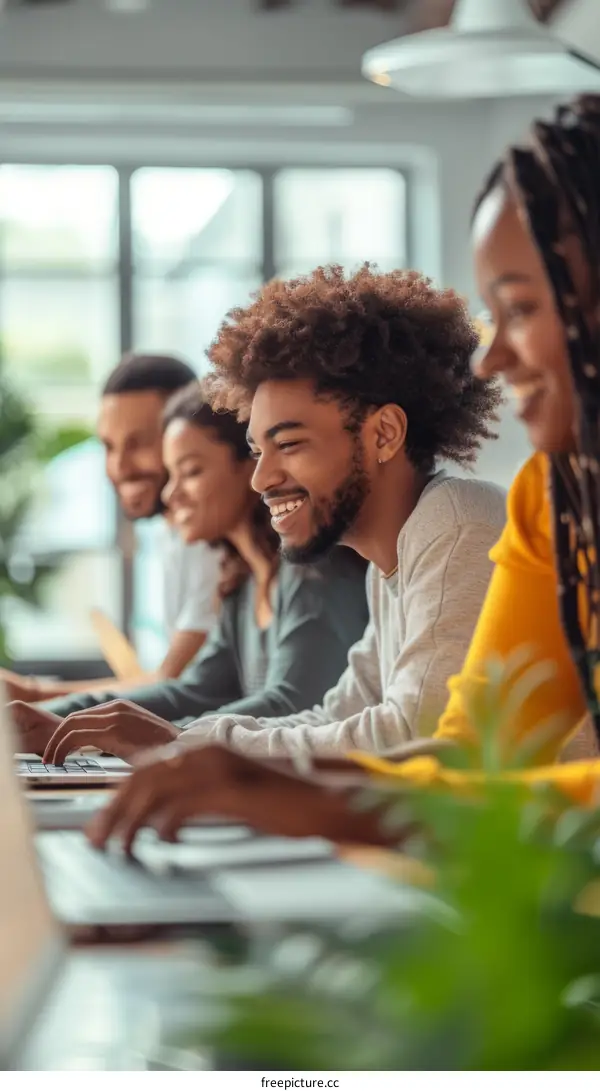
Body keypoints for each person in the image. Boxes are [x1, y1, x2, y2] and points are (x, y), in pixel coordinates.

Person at [82, 94, 600, 853]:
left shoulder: (455, 523)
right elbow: (447, 749)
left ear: (384, 433)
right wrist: (201, 751)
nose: (491, 359)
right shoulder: (543, 505)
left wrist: (239, 765)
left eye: (519, 310)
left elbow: (428, 744)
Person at [26, 265, 506, 771]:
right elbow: (335, 715)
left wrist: (180, 745)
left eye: (290, 444)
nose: (261, 479)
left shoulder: (454, 523)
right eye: (258, 451)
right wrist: (179, 742)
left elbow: (411, 735)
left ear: (384, 434)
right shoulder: (389, 565)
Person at [12, 381, 370, 757]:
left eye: (191, 471)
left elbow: (292, 703)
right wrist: (53, 720)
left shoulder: (315, 569)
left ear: (248, 466)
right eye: (171, 474)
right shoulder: (243, 583)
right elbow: (192, 691)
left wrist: (167, 739)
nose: (170, 494)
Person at [1, 352, 222, 703]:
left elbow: (174, 682)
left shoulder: (211, 544)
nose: (119, 466)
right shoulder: (171, 535)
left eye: (138, 443)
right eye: (108, 446)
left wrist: (32, 694)